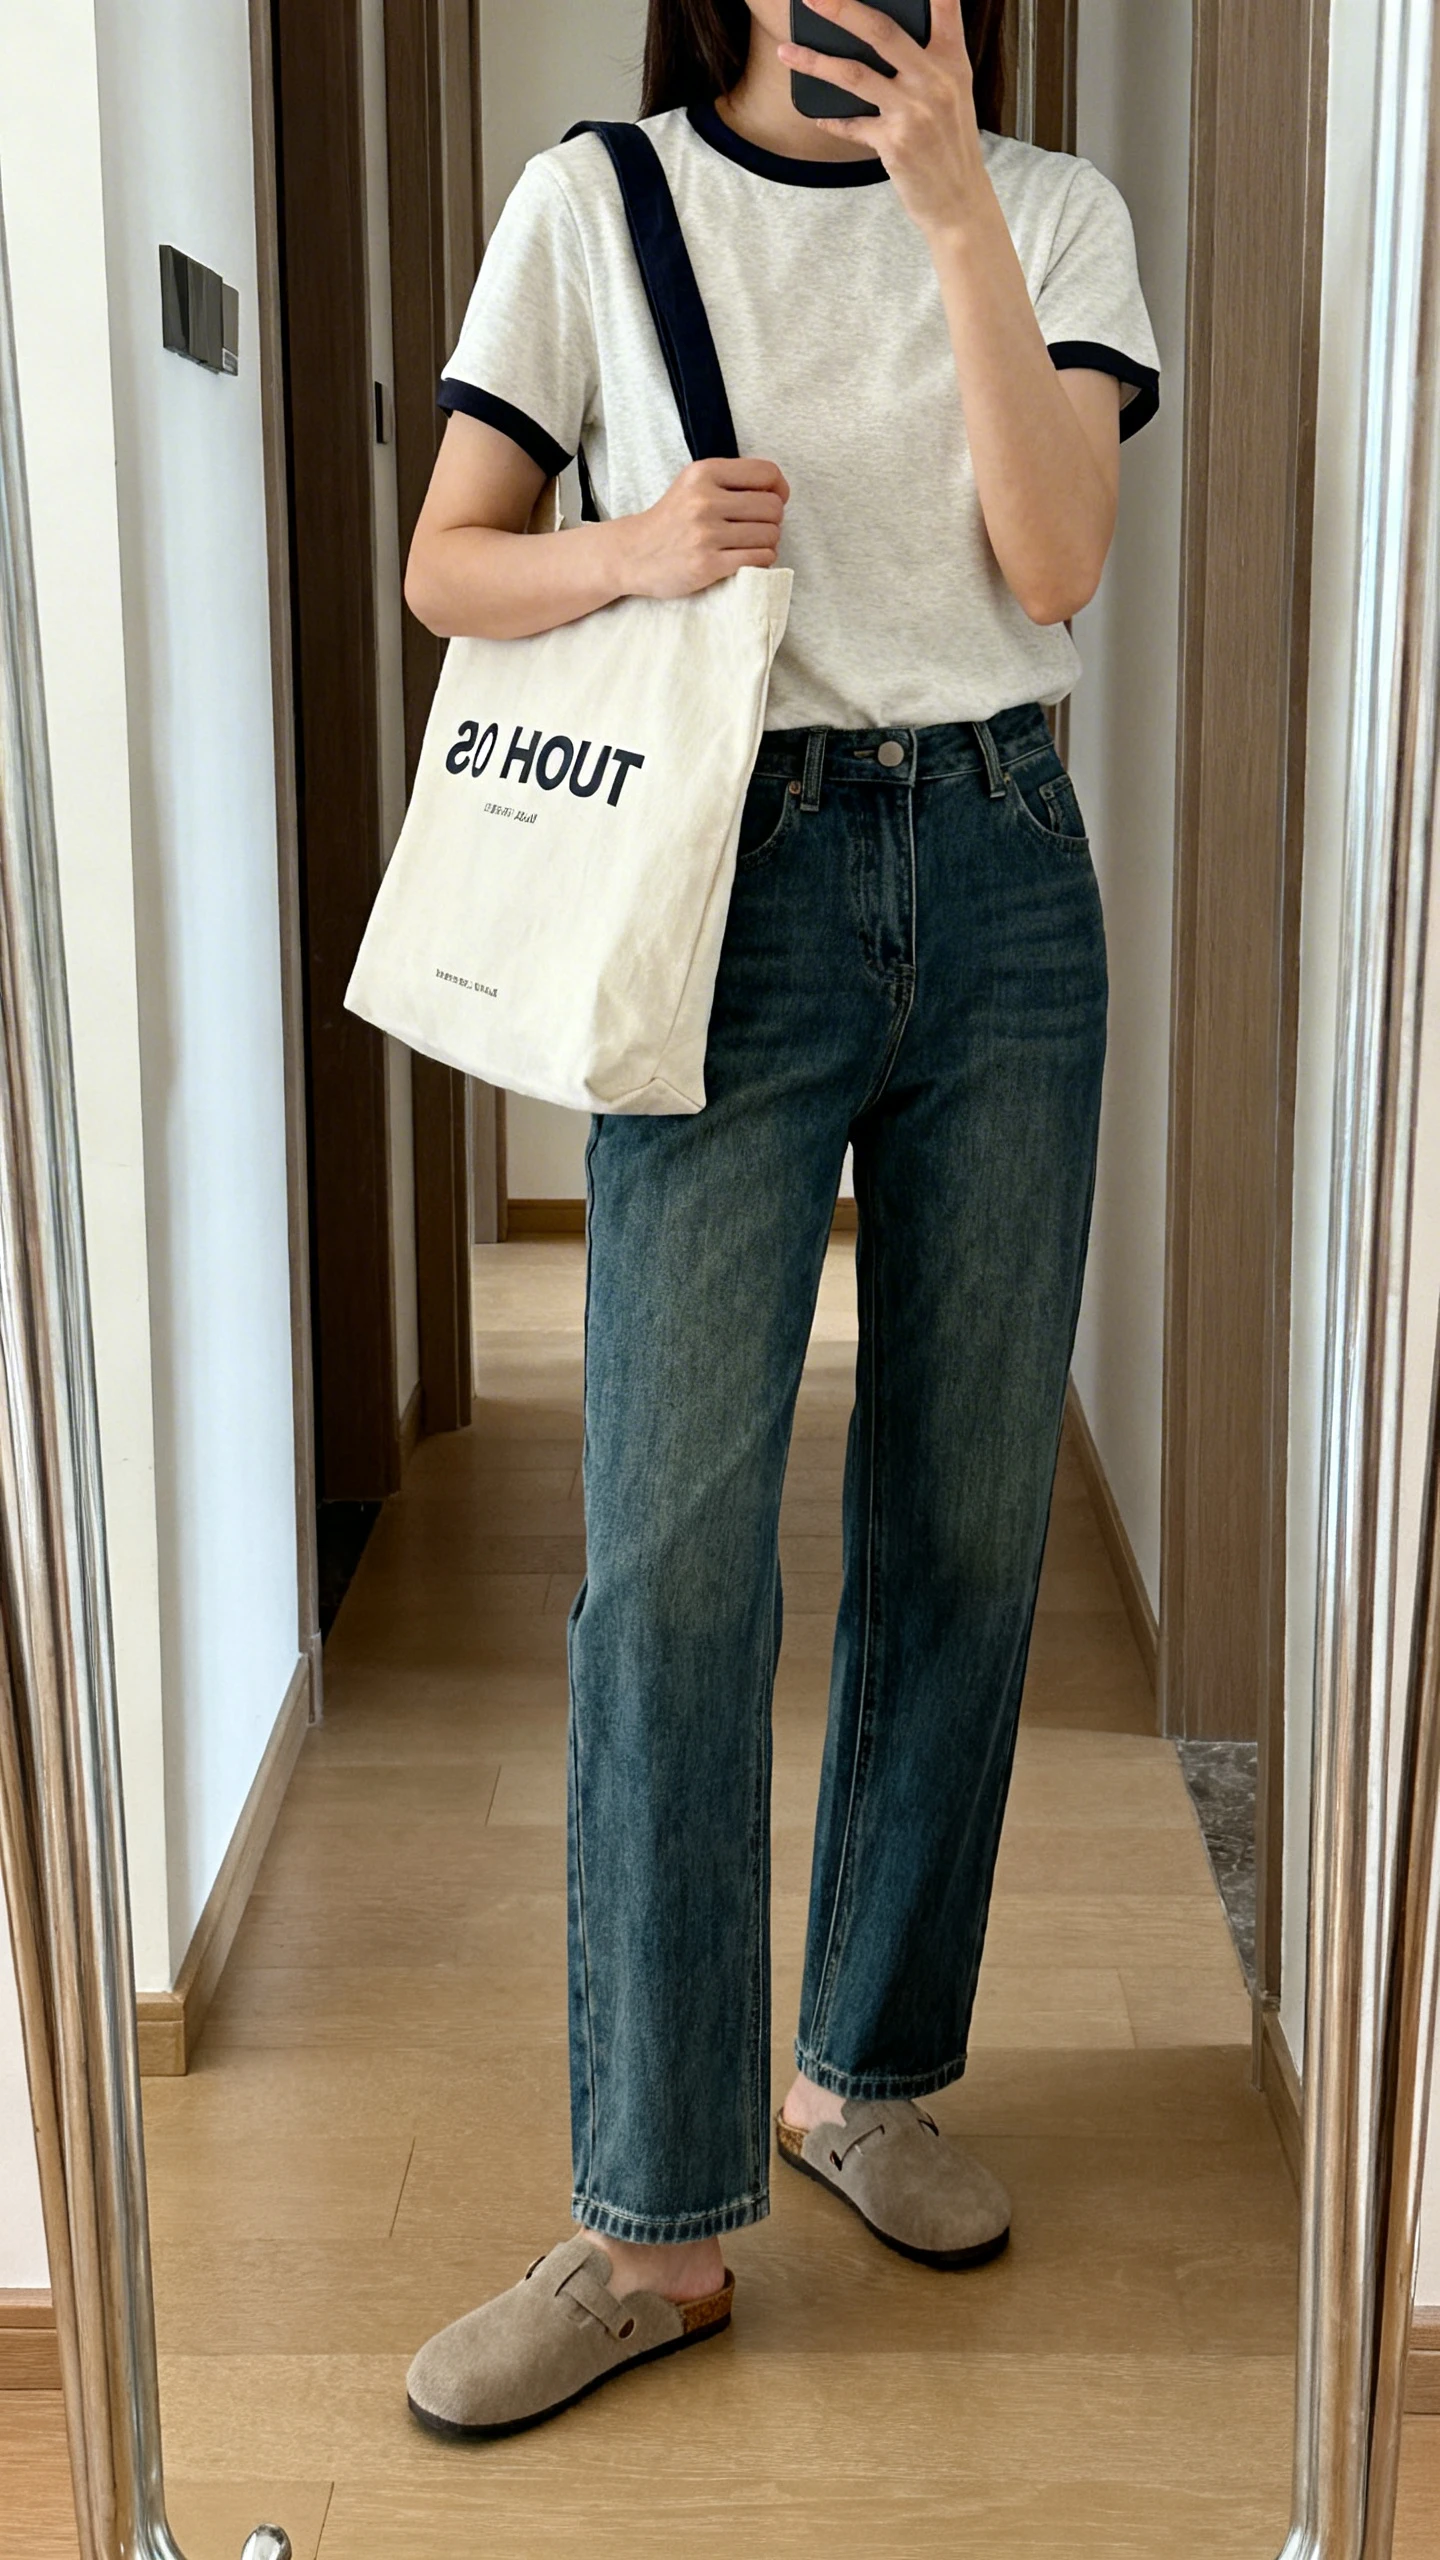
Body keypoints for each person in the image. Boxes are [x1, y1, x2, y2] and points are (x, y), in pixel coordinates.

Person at [402, 0, 1159, 2439]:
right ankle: (651, 2215)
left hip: (1010, 872)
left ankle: (865, 2067)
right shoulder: (589, 201)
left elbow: (1054, 561)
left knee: (960, 1516)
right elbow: (450, 568)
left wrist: (949, 213)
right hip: (730, 882)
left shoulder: (1051, 213)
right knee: (672, 1557)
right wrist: (632, 542)